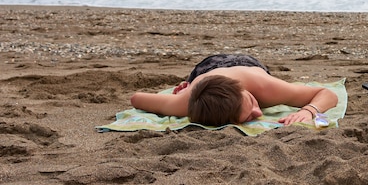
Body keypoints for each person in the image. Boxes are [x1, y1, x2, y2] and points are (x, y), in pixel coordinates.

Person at [130, 54, 338, 126]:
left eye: (252, 103)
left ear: (245, 90)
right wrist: (188, 91)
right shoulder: (183, 105)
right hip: (205, 72)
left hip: (246, 65)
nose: (258, 113)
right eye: (248, 117)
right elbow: (136, 98)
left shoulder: (263, 88)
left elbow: (327, 93)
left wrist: (308, 110)